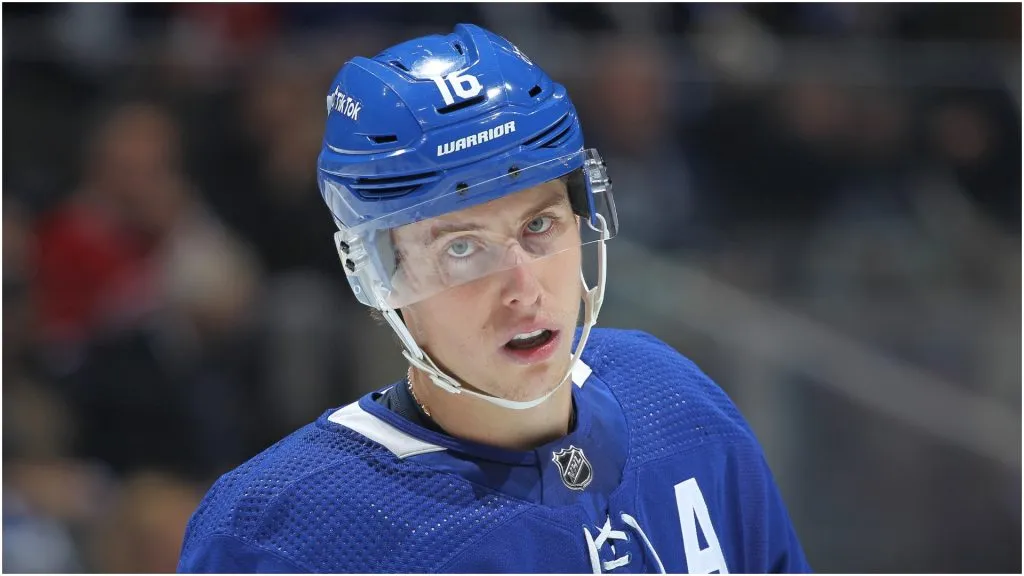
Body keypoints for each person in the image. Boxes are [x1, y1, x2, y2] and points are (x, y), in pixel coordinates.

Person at [178, 23, 811, 573]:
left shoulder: (677, 403)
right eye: (462, 248)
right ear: (379, 275)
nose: (522, 288)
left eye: (540, 227)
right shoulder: (285, 534)